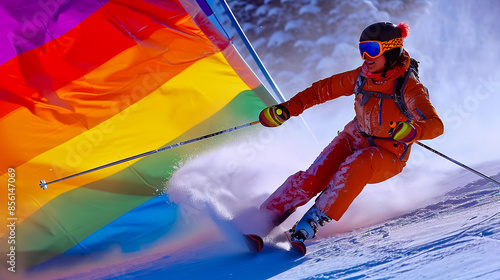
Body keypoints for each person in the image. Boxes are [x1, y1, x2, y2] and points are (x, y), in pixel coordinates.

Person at [257, 22, 444, 242]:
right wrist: (287, 109)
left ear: (392, 51)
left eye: (373, 50)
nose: (366, 56)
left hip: (388, 154)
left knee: (358, 163)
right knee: (313, 179)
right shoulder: (361, 77)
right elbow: (320, 91)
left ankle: (313, 220)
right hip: (354, 137)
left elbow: (435, 125)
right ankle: (263, 218)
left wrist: (413, 131)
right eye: (362, 50)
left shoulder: (408, 87)